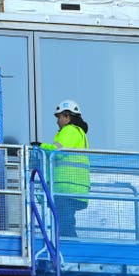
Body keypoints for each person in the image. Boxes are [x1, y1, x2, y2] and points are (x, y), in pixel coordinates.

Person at [33, 100, 90, 238]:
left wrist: (39, 146)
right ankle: (68, 247)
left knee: (64, 224)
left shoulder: (70, 130)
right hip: (73, 187)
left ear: (67, 116)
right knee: (64, 221)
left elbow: (56, 152)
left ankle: (71, 248)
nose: (57, 121)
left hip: (67, 187)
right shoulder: (78, 133)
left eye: (59, 117)